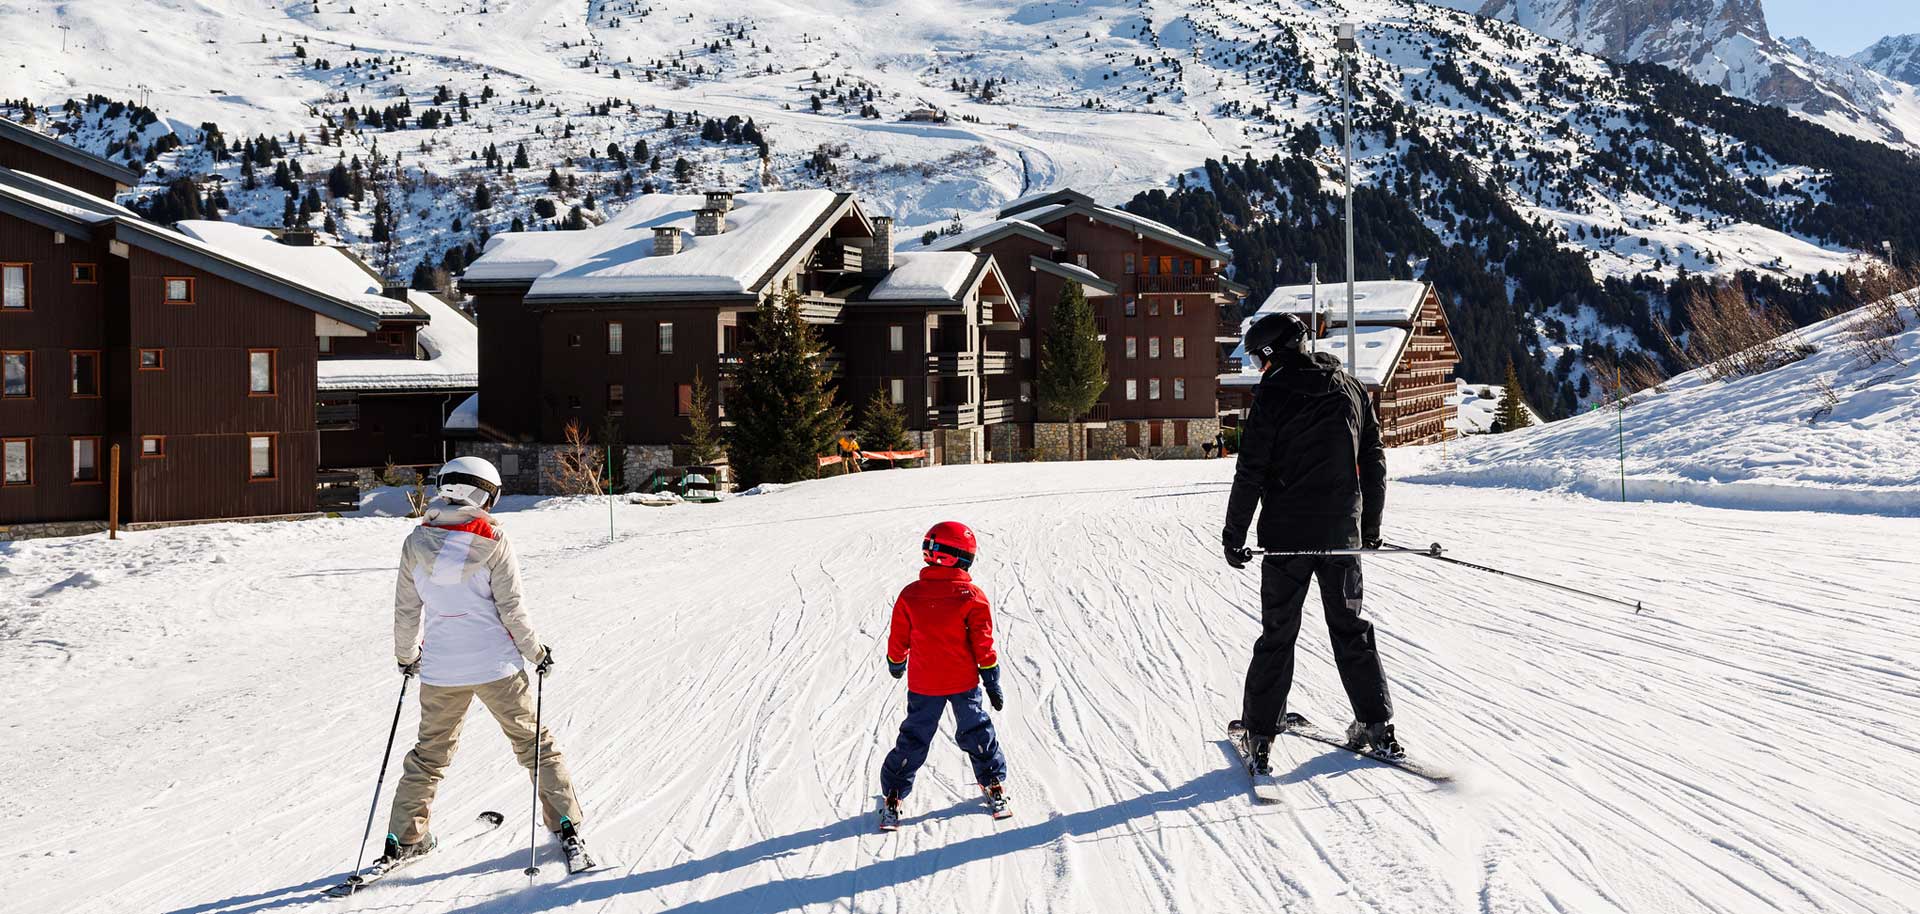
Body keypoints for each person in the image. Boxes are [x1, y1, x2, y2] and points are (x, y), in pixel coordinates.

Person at [384, 456, 591, 871]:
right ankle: (566, 824)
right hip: (497, 666)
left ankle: (405, 839)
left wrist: (407, 657)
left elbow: (407, 610)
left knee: (428, 756)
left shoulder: (415, 541)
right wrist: (537, 653)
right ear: (483, 494)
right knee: (535, 745)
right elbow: (512, 609)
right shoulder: (493, 539)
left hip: (442, 670)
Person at [1221, 313, 1398, 774]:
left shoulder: (1273, 394)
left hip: (1286, 541)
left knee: (1279, 634)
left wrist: (1234, 533)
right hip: (1341, 536)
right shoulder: (1352, 388)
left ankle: (1260, 735)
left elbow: (1252, 470)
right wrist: (1370, 526)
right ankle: (1376, 726)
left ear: (1273, 352)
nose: (1260, 367)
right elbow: (1374, 460)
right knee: (1350, 629)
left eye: (1260, 358)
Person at [878, 521, 1010, 829]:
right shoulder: (971, 595)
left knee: (914, 737)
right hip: (964, 684)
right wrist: (991, 678)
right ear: (960, 558)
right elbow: (983, 643)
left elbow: (899, 636)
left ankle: (894, 792)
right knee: (976, 730)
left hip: (924, 685)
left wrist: (896, 661)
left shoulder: (910, 595)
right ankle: (992, 781)